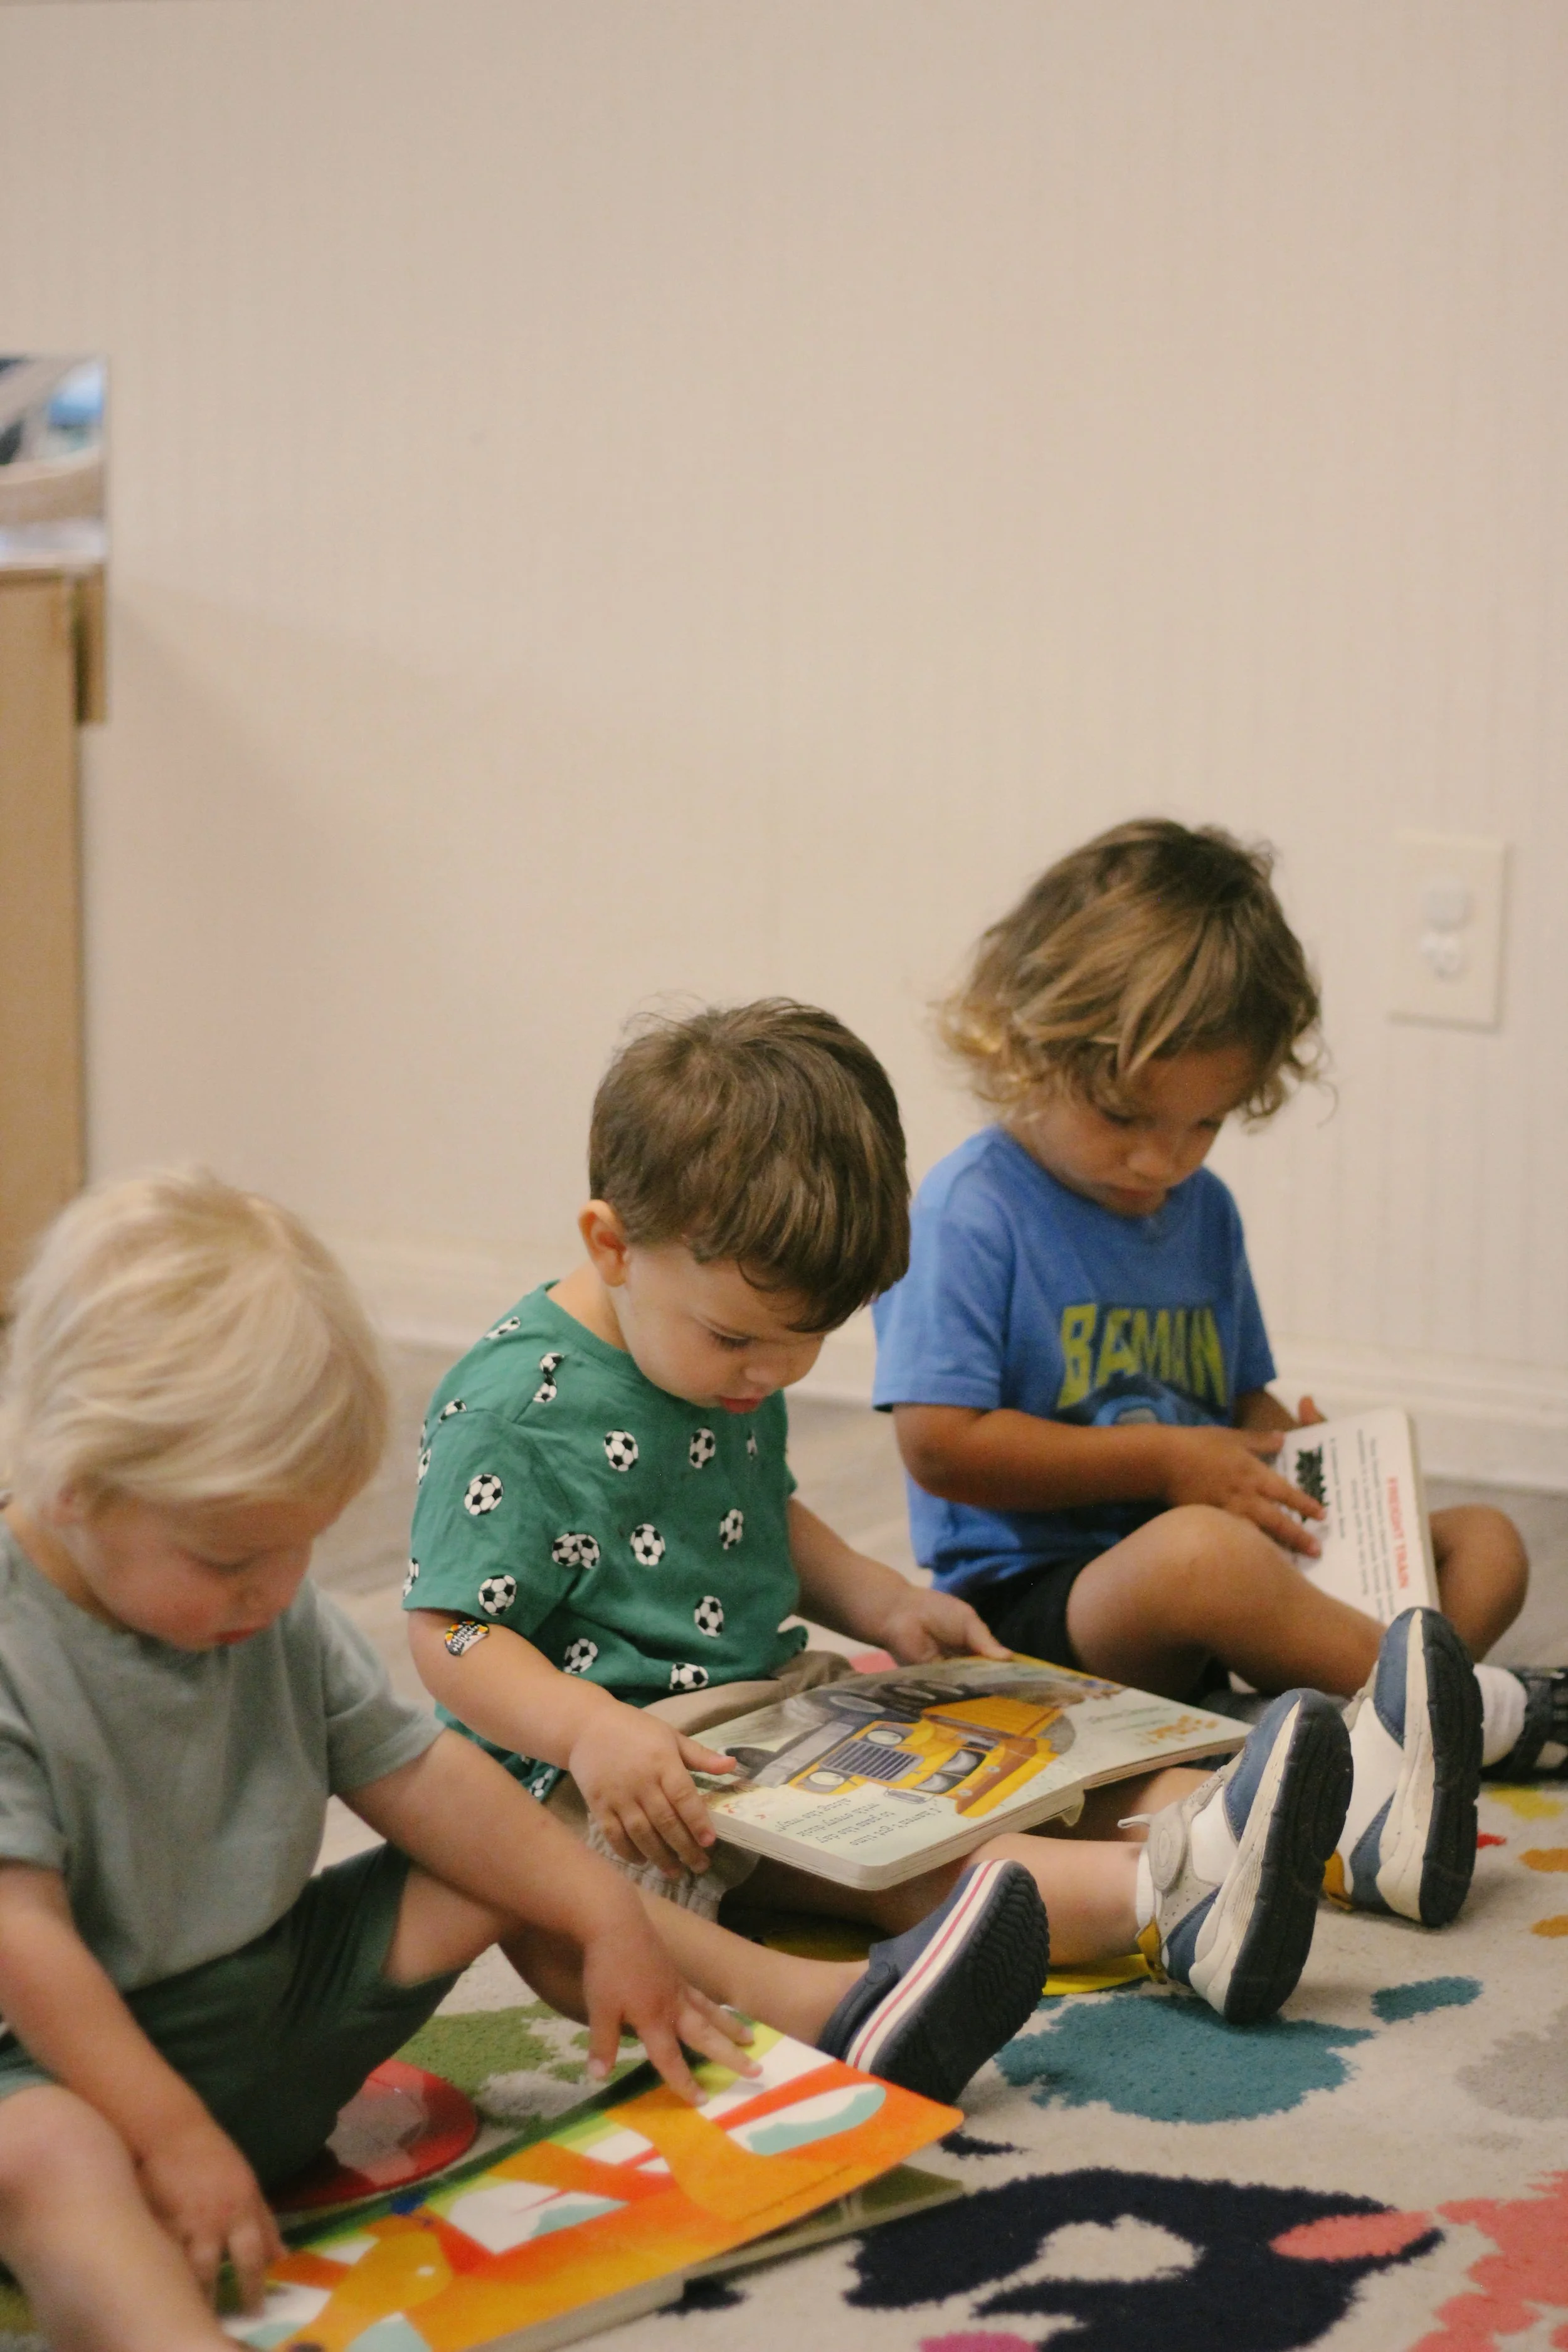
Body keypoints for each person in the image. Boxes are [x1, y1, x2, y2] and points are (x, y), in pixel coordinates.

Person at [0, 1172, 1057, 2352]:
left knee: (510, 1840)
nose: (276, 1589)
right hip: (56, 2068)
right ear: (74, 1486)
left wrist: (604, 1911)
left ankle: (814, 2012)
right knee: (50, 2158)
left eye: (299, 1546)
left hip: (255, 2009)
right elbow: (24, 1946)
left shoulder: (263, 1603)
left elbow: (422, 1783)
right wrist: (166, 2132)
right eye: (232, 1557)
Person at [407, 998, 1355, 2065]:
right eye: (742, 1340)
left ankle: (1262, 1820)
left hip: (769, 1715)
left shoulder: (713, 1350)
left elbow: (753, 1508)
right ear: (612, 1244)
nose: (771, 1374)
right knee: (900, 1859)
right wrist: (587, 1727)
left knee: (1009, 1763)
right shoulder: (510, 1407)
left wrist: (881, 1599)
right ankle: (1168, 1898)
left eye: (808, 1341)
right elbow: (448, 1631)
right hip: (624, 1786)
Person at [874, 817, 1563, 1936]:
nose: (1166, 1159)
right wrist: (1165, 1462)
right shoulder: (973, 1209)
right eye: (1127, 1118)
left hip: (1221, 1568)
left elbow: (1239, 1399)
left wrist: (1298, 1450)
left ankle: (1374, 1731)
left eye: (1205, 1124)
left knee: (1489, 1540)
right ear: (1029, 1046)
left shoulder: (1202, 1213)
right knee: (1203, 1552)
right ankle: (1455, 1714)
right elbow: (939, 1442)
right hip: (1046, 1608)